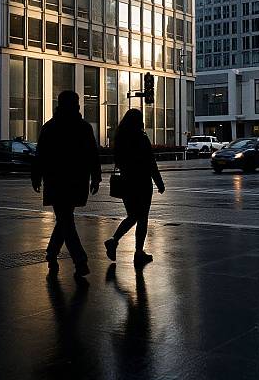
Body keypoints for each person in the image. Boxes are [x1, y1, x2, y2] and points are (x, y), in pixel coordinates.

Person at [31, 91, 101, 277]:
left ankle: (54, 253)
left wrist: (36, 177)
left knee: (64, 219)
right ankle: (78, 260)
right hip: (77, 180)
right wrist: (96, 177)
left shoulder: (50, 127)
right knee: (66, 219)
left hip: (55, 180)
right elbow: (93, 155)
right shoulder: (84, 128)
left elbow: (40, 156)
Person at [104, 109, 165, 266]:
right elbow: (150, 162)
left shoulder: (120, 138)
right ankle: (138, 252)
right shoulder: (141, 137)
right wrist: (159, 181)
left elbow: (118, 160)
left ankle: (115, 240)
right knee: (142, 217)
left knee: (132, 215)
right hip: (142, 182)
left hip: (126, 181)